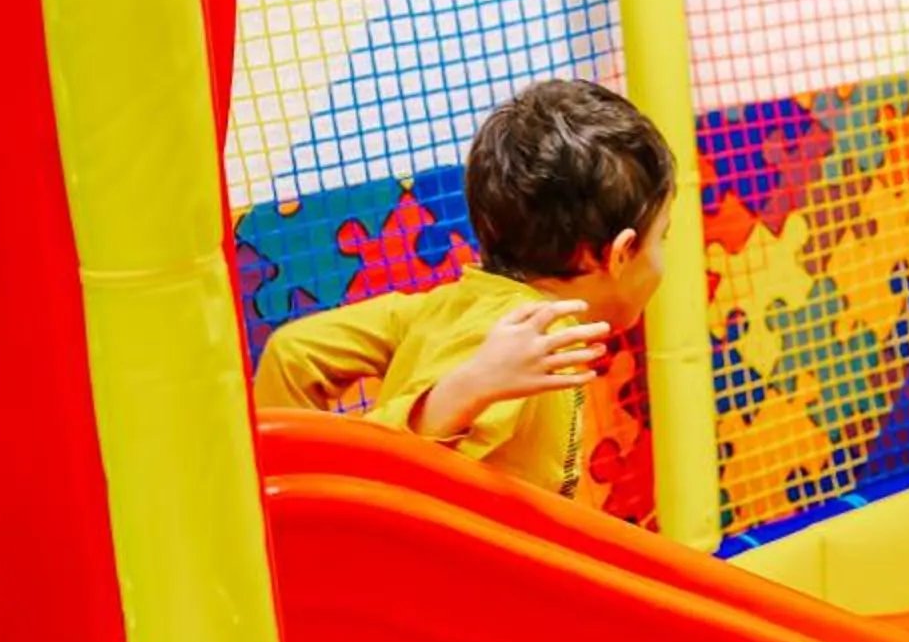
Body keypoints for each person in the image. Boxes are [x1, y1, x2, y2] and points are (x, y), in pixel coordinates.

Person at [253, 79, 674, 501]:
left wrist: (293, 486)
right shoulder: (531, 339)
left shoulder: (454, 305)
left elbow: (292, 353)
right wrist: (465, 389)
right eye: (663, 237)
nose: (662, 258)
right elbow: (380, 479)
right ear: (620, 254)